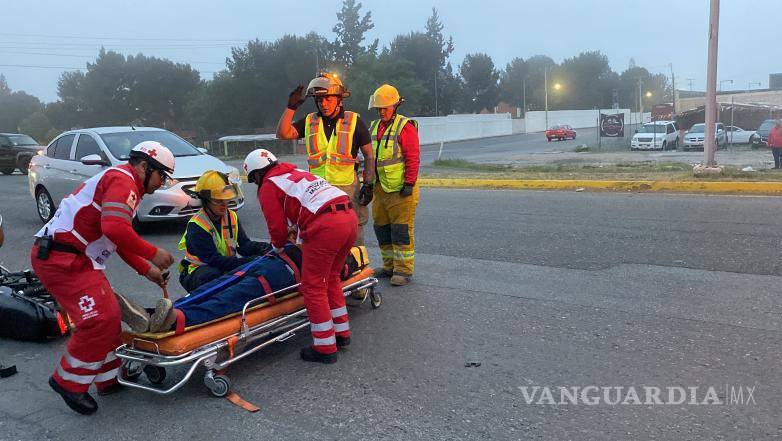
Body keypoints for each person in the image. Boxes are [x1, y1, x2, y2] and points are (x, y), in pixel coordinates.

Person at [30, 141, 176, 415]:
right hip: (63, 259)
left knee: (107, 316)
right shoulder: (124, 182)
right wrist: (152, 253)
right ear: (144, 166)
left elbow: (114, 238)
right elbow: (115, 228)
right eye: (162, 176)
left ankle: (108, 379)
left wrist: (147, 269)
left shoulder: (121, 181)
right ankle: (68, 382)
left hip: (74, 258)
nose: (162, 183)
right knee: (101, 318)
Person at [243, 148, 356, 364]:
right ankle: (341, 334)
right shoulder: (295, 173)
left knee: (313, 286)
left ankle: (325, 348)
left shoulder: (269, 185)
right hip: (347, 216)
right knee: (331, 278)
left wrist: (278, 247)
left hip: (326, 226)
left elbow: (277, 228)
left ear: (256, 175)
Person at [276, 72, 375, 246]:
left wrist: (368, 184)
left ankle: (356, 271)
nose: (323, 104)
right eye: (319, 100)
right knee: (322, 235)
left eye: (328, 99)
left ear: (339, 98)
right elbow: (282, 133)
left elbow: (369, 154)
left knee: (352, 237)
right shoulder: (309, 122)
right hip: (319, 192)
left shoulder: (354, 121)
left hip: (348, 192)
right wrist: (291, 108)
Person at [178, 170, 270, 293]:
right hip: (198, 271)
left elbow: (244, 246)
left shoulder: (231, 216)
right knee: (213, 275)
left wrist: (263, 249)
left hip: (222, 265)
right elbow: (214, 260)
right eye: (218, 201)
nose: (224, 205)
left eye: (226, 200)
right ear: (205, 201)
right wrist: (249, 261)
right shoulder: (197, 225)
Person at [367, 84, 421, 286]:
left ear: (395, 106)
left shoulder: (404, 126)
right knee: (382, 229)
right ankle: (389, 266)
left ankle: (403, 271)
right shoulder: (374, 127)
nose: (382, 112)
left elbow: (412, 157)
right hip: (380, 189)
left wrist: (409, 183)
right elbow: (370, 157)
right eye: (379, 108)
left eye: (386, 108)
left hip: (400, 190)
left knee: (401, 231)